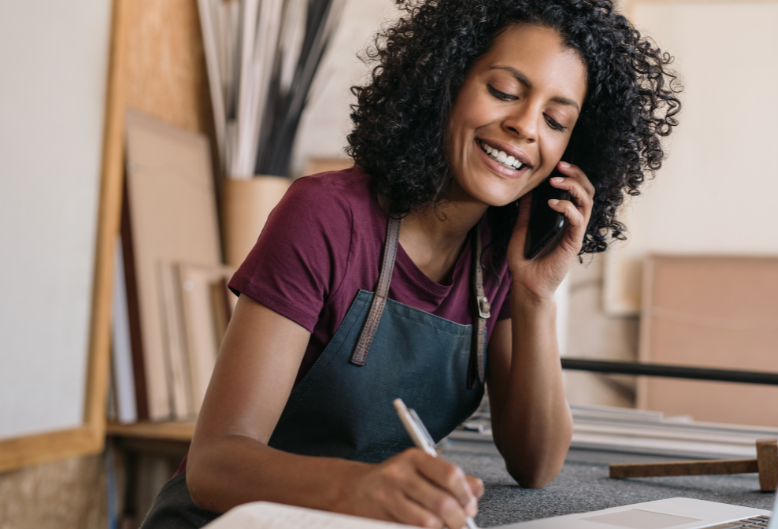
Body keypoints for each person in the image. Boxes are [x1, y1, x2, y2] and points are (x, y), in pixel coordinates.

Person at [141, 0, 679, 527]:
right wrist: (361, 487)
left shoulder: (497, 252)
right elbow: (214, 465)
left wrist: (536, 296)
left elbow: (536, 464)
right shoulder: (325, 216)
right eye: (504, 92)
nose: (526, 127)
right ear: (445, 81)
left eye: (556, 119)